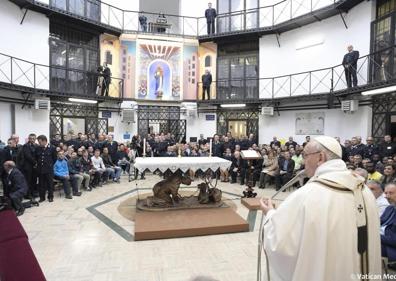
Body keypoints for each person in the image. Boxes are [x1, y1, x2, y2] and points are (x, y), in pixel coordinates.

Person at [260, 136, 381, 280]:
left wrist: (269, 214)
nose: (304, 161)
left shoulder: (308, 194)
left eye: (305, 155)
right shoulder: (364, 190)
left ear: (320, 157)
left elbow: (281, 245)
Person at [35, 135, 57, 202]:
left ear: (44, 141)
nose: (39, 143)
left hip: (49, 169)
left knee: (50, 184)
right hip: (40, 169)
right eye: (38, 142)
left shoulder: (52, 148)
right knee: (41, 184)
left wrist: (49, 165)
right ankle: (42, 197)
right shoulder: (38, 148)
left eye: (40, 142)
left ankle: (50, 197)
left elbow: (54, 159)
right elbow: (37, 157)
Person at [381, 183, 396, 264]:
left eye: (391, 193)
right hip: (382, 240)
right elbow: (378, 223)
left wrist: (374, 236)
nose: (387, 196)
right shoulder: (389, 208)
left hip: (390, 248)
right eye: (386, 193)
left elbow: (394, 240)